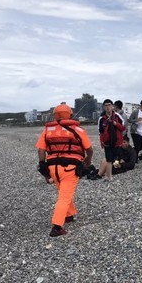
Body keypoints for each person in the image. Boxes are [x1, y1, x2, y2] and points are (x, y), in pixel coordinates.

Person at [36, 103, 93, 237]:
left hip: (52, 168)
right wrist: (88, 160)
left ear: (55, 115)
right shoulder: (79, 130)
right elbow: (89, 149)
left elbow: (40, 150)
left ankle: (69, 214)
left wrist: (42, 165)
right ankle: (57, 226)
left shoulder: (47, 131)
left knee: (63, 192)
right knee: (65, 196)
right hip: (70, 168)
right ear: (70, 114)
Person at [92, 99, 124, 181]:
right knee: (109, 159)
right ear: (104, 107)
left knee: (113, 158)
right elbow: (100, 131)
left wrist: (115, 123)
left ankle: (108, 175)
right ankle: (108, 176)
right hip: (107, 142)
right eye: (106, 105)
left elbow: (123, 128)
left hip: (116, 141)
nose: (108, 107)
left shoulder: (117, 116)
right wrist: (102, 142)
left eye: (109, 105)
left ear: (112, 106)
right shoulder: (101, 118)